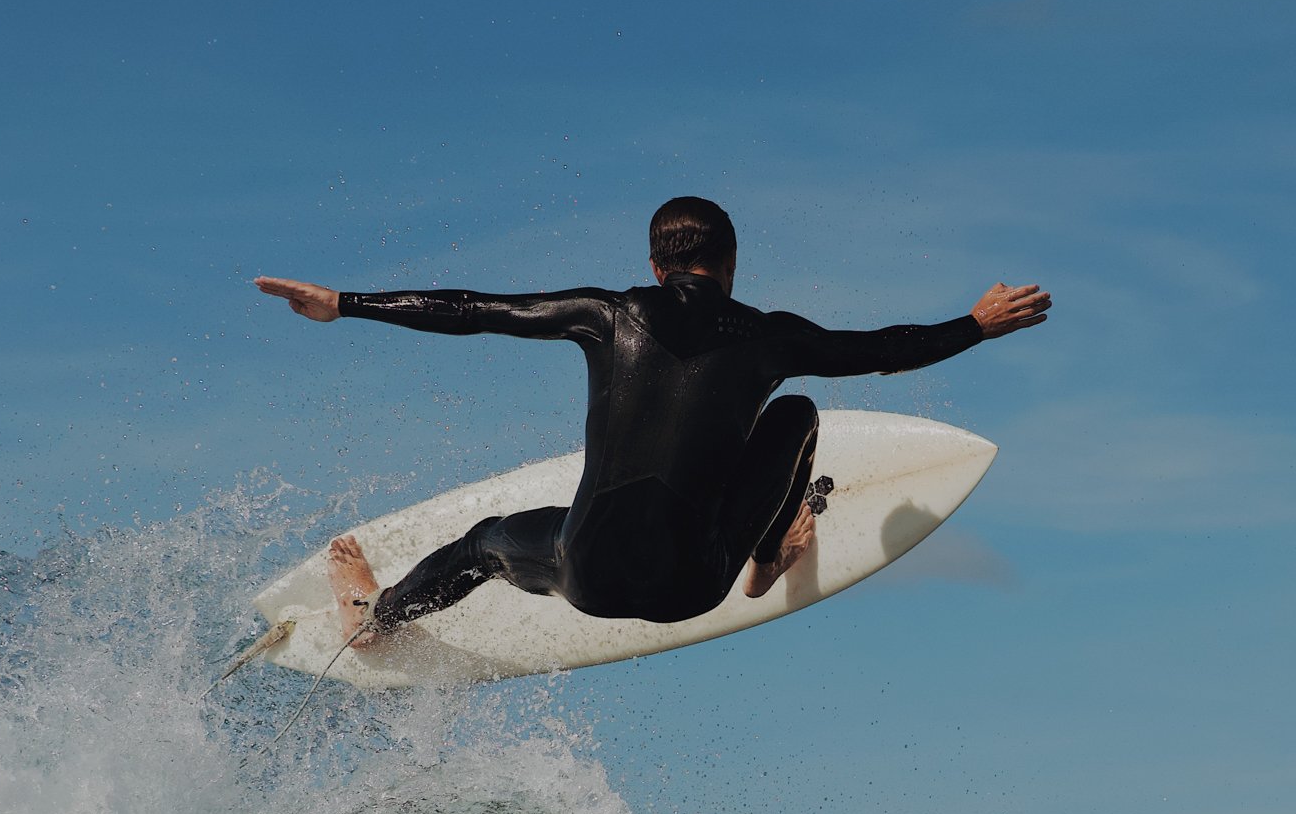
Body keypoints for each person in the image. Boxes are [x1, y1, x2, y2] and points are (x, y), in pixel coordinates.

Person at [255, 196, 1049, 647]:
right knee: (799, 411)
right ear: (731, 265)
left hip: (586, 573)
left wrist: (343, 302)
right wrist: (975, 324)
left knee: (485, 543)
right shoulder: (769, 336)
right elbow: (883, 350)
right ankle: (769, 552)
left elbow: (474, 309)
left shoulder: (605, 313)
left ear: (654, 267)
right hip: (695, 583)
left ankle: (378, 618)